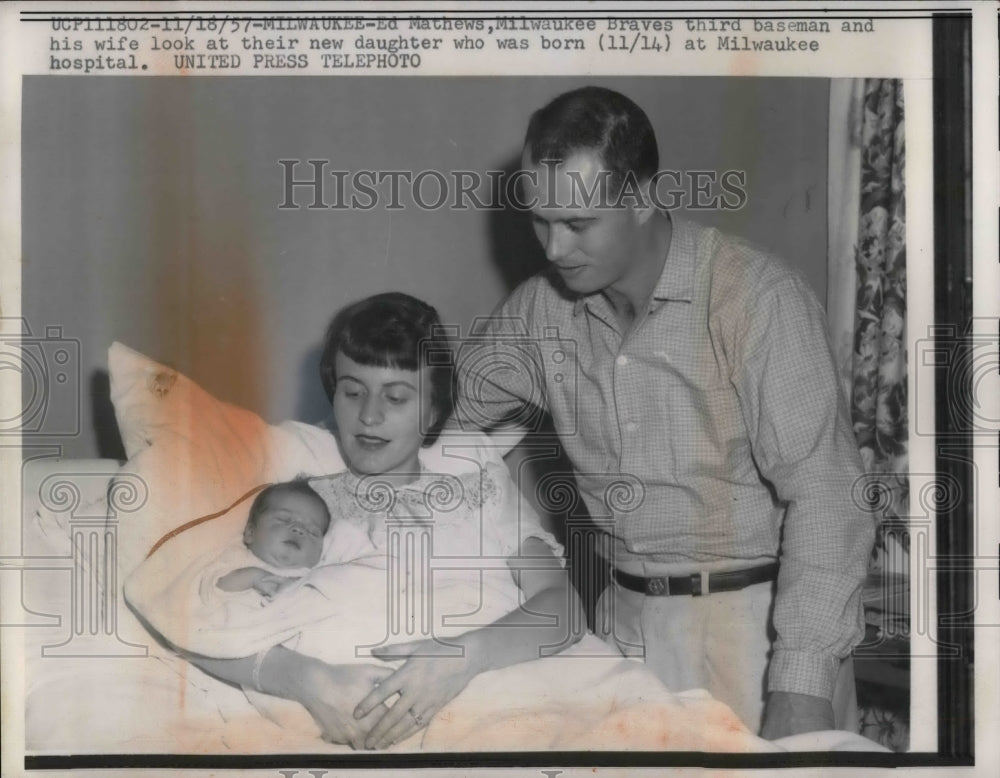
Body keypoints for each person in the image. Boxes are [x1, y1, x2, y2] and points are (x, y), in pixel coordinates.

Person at [453, 86, 876, 739]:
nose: (552, 250)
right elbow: (442, 416)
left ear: (644, 197)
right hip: (622, 627)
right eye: (540, 220)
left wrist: (801, 683)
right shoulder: (541, 310)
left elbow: (827, 496)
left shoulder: (757, 300)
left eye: (577, 224)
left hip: (754, 631)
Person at [128, 292, 583, 750]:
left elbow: (563, 607)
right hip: (348, 712)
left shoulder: (474, 479)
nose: (369, 415)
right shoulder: (305, 503)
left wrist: (462, 657)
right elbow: (193, 609)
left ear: (432, 412)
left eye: (397, 397)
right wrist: (303, 679)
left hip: (488, 696)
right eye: (352, 391)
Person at [214, 480, 334, 599]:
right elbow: (212, 588)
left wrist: (298, 589)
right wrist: (252, 577)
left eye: (312, 532)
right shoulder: (237, 558)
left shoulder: (315, 580)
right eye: (284, 520)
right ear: (250, 533)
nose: (299, 529)